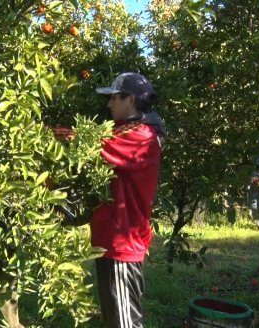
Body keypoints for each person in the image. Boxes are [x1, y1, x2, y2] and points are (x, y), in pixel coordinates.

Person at [92, 72, 165, 328]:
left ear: (130, 100)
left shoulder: (140, 136)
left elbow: (89, 144)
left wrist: (43, 136)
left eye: (114, 98)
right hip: (110, 241)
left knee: (125, 323)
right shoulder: (128, 130)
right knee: (115, 319)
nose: (109, 104)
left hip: (121, 243)